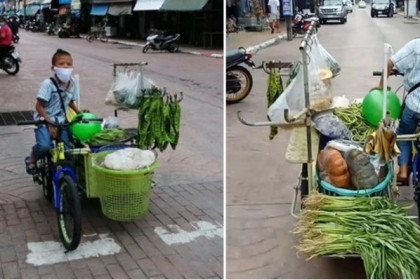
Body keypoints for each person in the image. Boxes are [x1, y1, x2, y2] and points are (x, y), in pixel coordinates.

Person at [25, 49, 87, 174]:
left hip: (61, 121)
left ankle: (68, 178)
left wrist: (79, 112)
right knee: (44, 146)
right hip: (44, 120)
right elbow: (39, 106)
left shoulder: (72, 83)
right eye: (61, 64)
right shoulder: (48, 84)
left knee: (67, 149)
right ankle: (31, 160)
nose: (65, 66)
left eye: (69, 64)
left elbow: (69, 100)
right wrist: (50, 123)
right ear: (53, 68)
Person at [376, 38, 420, 186]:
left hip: (415, 105)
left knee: (404, 134)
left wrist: (381, 86)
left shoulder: (416, 46)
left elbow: (390, 63)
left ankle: (402, 170)